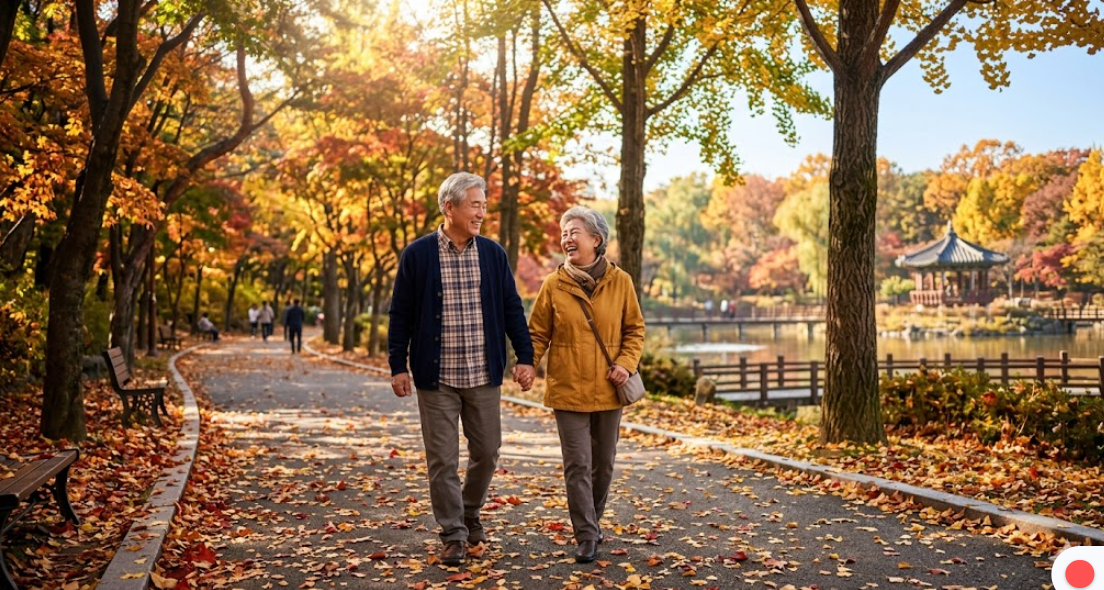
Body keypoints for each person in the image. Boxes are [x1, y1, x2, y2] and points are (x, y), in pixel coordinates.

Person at [388, 172, 535, 567]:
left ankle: (470, 511)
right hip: (436, 377)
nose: (482, 212)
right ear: (448, 207)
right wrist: (397, 365)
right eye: (475, 204)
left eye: (484, 205)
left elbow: (511, 308)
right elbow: (400, 314)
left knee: (487, 451)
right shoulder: (418, 255)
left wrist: (525, 356)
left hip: (483, 373)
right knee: (442, 460)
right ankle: (453, 532)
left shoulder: (492, 253)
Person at [527, 205, 645, 564]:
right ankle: (586, 533)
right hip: (569, 389)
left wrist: (625, 364)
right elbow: (537, 334)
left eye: (574, 231)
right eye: (564, 232)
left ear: (596, 239)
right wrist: (527, 365)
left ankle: (592, 520)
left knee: (603, 465)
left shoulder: (620, 281)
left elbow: (634, 330)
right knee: (577, 463)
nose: (566, 237)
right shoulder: (553, 284)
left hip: (610, 390)